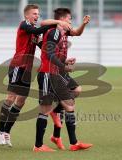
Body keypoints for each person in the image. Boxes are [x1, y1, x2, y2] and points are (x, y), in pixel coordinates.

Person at [0, 4, 71, 147]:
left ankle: (7, 132)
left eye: (38, 14)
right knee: (11, 98)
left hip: (28, 70)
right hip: (18, 66)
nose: (37, 16)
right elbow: (37, 29)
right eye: (34, 14)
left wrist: (64, 60)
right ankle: (0, 130)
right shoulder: (24, 25)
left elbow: (43, 47)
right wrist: (56, 22)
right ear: (27, 15)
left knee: (20, 102)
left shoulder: (35, 32)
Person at [33, 8, 92, 152]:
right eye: (69, 19)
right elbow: (50, 54)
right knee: (45, 110)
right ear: (62, 20)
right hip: (48, 73)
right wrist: (64, 66)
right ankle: (38, 146)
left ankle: (74, 143)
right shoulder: (53, 32)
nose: (71, 22)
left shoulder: (63, 33)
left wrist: (64, 63)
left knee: (71, 102)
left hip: (57, 73)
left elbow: (74, 35)